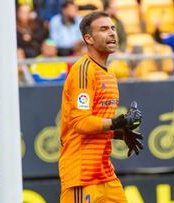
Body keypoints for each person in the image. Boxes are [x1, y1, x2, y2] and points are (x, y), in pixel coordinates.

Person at [59, 11, 143, 203]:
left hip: (104, 173)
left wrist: (120, 132)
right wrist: (117, 122)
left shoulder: (110, 76)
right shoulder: (83, 70)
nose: (112, 33)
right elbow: (81, 123)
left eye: (113, 28)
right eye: (104, 29)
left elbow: (97, 123)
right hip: (81, 175)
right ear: (88, 38)